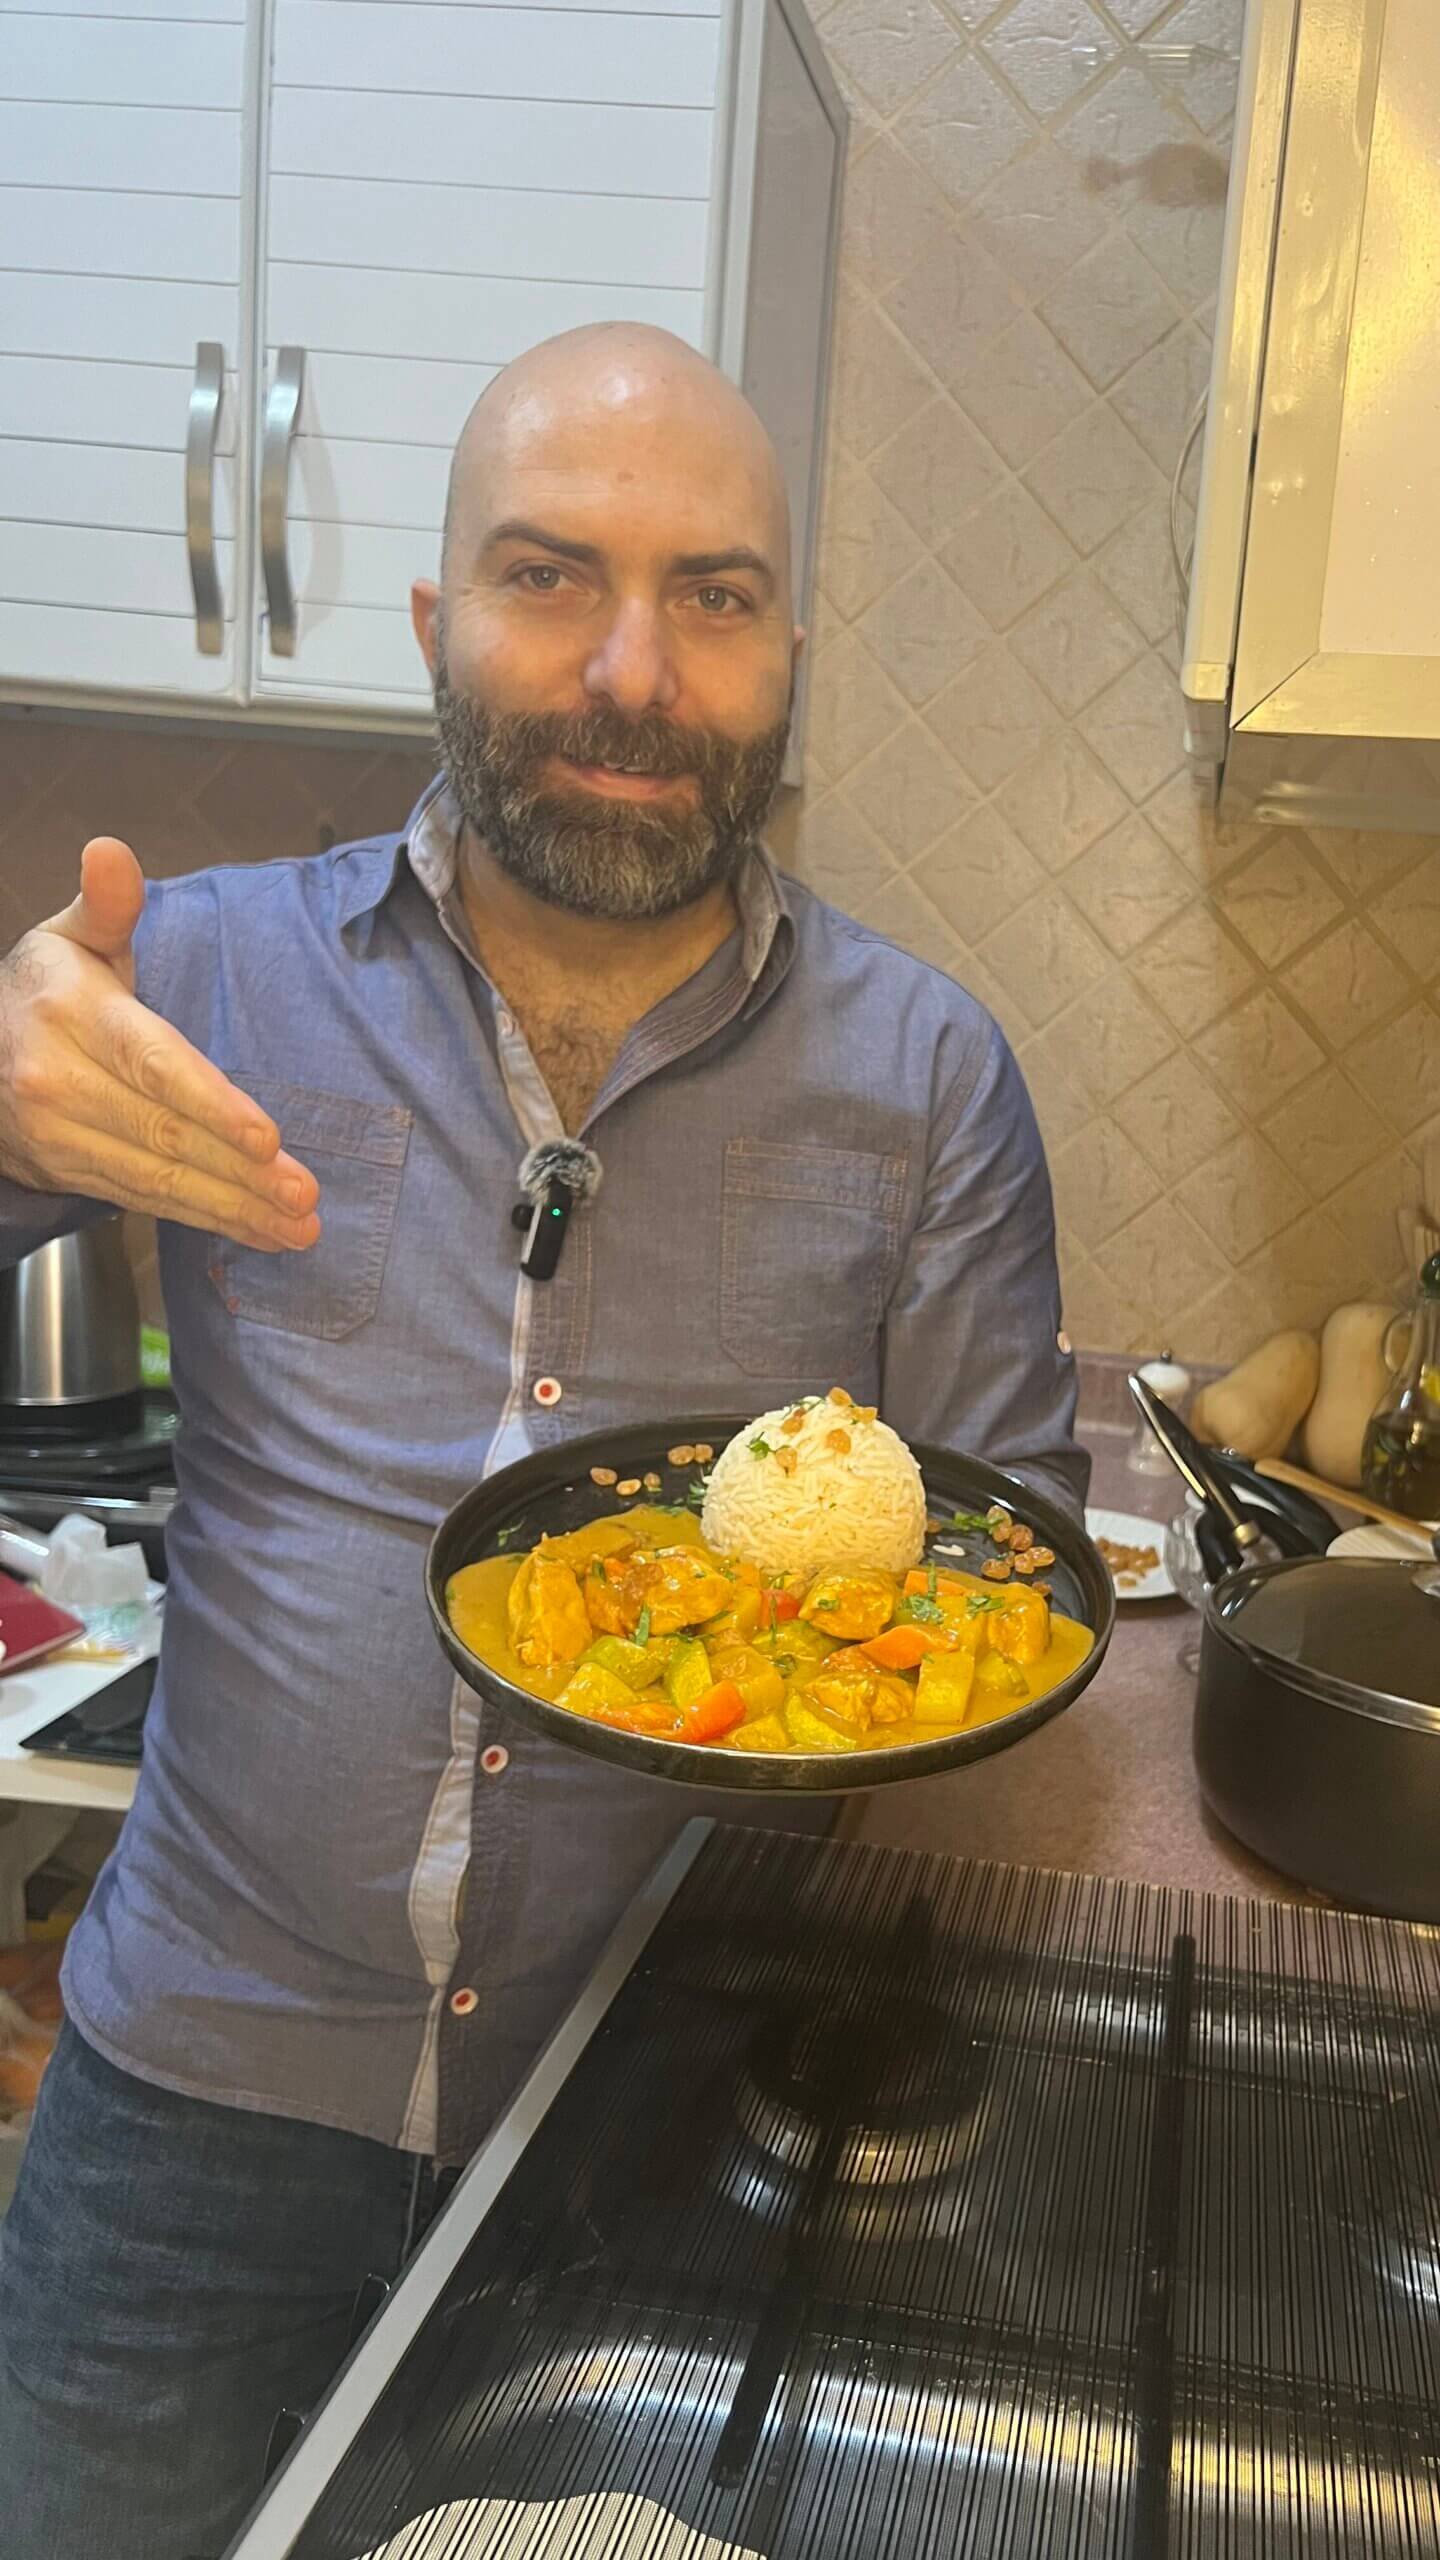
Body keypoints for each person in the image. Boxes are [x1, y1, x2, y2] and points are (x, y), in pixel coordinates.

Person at [0, 324, 1086, 2556]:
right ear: (433, 623)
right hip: (195, 2094)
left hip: (668, 2126)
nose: (630, 667)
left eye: (711, 593)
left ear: (789, 651)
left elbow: (1025, 1577)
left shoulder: (930, 1079)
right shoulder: (197, 979)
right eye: (543, 575)